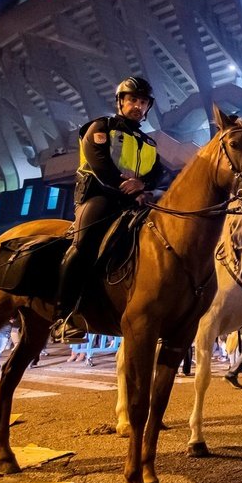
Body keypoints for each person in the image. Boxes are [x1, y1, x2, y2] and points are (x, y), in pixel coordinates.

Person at [53, 76, 165, 343]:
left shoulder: (149, 143)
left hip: (133, 201)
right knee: (84, 245)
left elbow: (158, 173)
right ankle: (64, 315)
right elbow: (100, 164)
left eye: (142, 102)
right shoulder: (100, 127)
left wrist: (143, 185)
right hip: (99, 196)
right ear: (120, 101)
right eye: (133, 100)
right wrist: (129, 187)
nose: (138, 106)